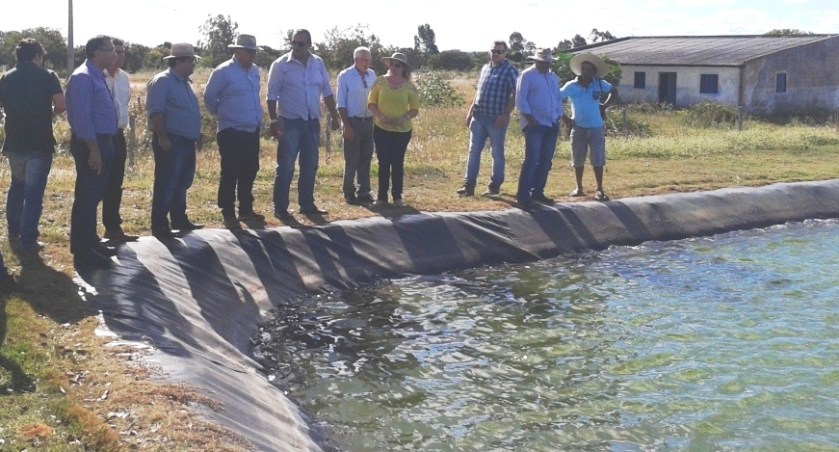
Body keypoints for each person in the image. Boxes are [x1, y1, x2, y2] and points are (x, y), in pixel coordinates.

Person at [266, 29, 340, 221]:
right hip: (289, 121)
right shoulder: (280, 65)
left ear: (309, 44)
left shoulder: (318, 63)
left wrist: (334, 115)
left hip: (311, 121)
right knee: (286, 166)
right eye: (294, 43)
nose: (296, 47)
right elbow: (271, 95)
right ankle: (280, 207)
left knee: (310, 165)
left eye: (300, 43)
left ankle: (307, 205)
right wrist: (274, 121)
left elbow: (326, 90)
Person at [0, 38, 65, 252]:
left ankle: (13, 228)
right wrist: (49, 114)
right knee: (34, 192)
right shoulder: (48, 76)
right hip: (39, 141)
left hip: (14, 141)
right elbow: (60, 105)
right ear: (37, 56)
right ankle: (28, 239)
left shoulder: (6, 78)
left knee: (16, 186)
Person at [65, 35, 118, 268]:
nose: (115, 54)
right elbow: (81, 117)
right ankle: (82, 250)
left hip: (103, 142)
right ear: (97, 53)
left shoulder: (98, 76)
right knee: (87, 197)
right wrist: (93, 150)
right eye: (111, 50)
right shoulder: (83, 78)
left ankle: (91, 241)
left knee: (94, 195)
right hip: (91, 145)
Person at [203, 34, 265, 230]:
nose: (252, 55)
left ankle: (245, 209)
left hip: (251, 129)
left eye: (254, 51)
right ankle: (228, 212)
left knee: (250, 169)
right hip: (231, 130)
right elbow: (209, 98)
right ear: (237, 52)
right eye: (249, 51)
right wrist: (224, 114)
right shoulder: (223, 71)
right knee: (230, 171)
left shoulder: (255, 71)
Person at [146, 43, 202, 240]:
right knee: (167, 183)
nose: (193, 65)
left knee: (182, 182)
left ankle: (179, 219)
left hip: (185, 141)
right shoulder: (162, 82)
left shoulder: (185, 83)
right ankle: (160, 224)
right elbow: (156, 112)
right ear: (179, 61)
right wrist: (163, 137)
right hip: (171, 140)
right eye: (191, 61)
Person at [457, 40, 518, 198]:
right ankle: (468, 185)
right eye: (493, 51)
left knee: (497, 153)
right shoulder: (485, 68)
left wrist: (505, 114)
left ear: (505, 53)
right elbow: (478, 93)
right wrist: (470, 112)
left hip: (496, 118)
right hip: (479, 116)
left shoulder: (510, 70)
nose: (496, 54)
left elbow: (515, 94)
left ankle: (494, 186)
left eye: (499, 51)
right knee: (473, 151)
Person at [561, 52, 618, 201]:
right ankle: (579, 187)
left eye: (589, 69)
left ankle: (599, 189)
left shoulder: (599, 83)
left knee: (598, 158)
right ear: (580, 69)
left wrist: (604, 106)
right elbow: (555, 99)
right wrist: (564, 117)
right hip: (578, 126)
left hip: (596, 126)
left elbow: (614, 91)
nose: (586, 72)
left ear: (593, 71)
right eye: (584, 69)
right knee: (578, 158)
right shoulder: (571, 85)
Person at [367, 52, 420, 207]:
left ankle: (397, 196)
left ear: (403, 67)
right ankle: (382, 197)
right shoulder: (380, 81)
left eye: (398, 65)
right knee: (383, 162)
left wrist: (403, 118)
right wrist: (379, 116)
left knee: (397, 162)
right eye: (392, 64)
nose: (394, 68)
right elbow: (371, 103)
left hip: (402, 131)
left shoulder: (409, 85)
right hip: (381, 128)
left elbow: (414, 109)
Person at [515, 48, 563, 211]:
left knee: (546, 160)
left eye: (547, 62)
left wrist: (558, 114)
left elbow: (557, 98)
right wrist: (529, 118)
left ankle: (537, 192)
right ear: (536, 61)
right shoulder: (527, 75)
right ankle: (523, 196)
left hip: (551, 123)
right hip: (535, 124)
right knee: (532, 159)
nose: (545, 64)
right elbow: (520, 98)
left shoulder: (553, 77)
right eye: (542, 62)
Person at [102, 38, 138, 242]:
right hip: (99, 137)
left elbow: (124, 104)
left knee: (115, 184)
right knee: (95, 186)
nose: (120, 55)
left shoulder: (124, 78)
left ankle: (113, 228)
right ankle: (87, 235)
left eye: (123, 52)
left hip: (118, 135)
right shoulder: (95, 76)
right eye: (116, 51)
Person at [336, 46, 377, 206]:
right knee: (351, 159)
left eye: (369, 60)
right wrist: (346, 125)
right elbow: (341, 102)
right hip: (352, 121)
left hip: (368, 120)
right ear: (356, 60)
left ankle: (364, 191)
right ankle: (348, 191)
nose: (367, 63)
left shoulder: (372, 75)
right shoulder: (345, 76)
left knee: (366, 157)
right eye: (364, 60)